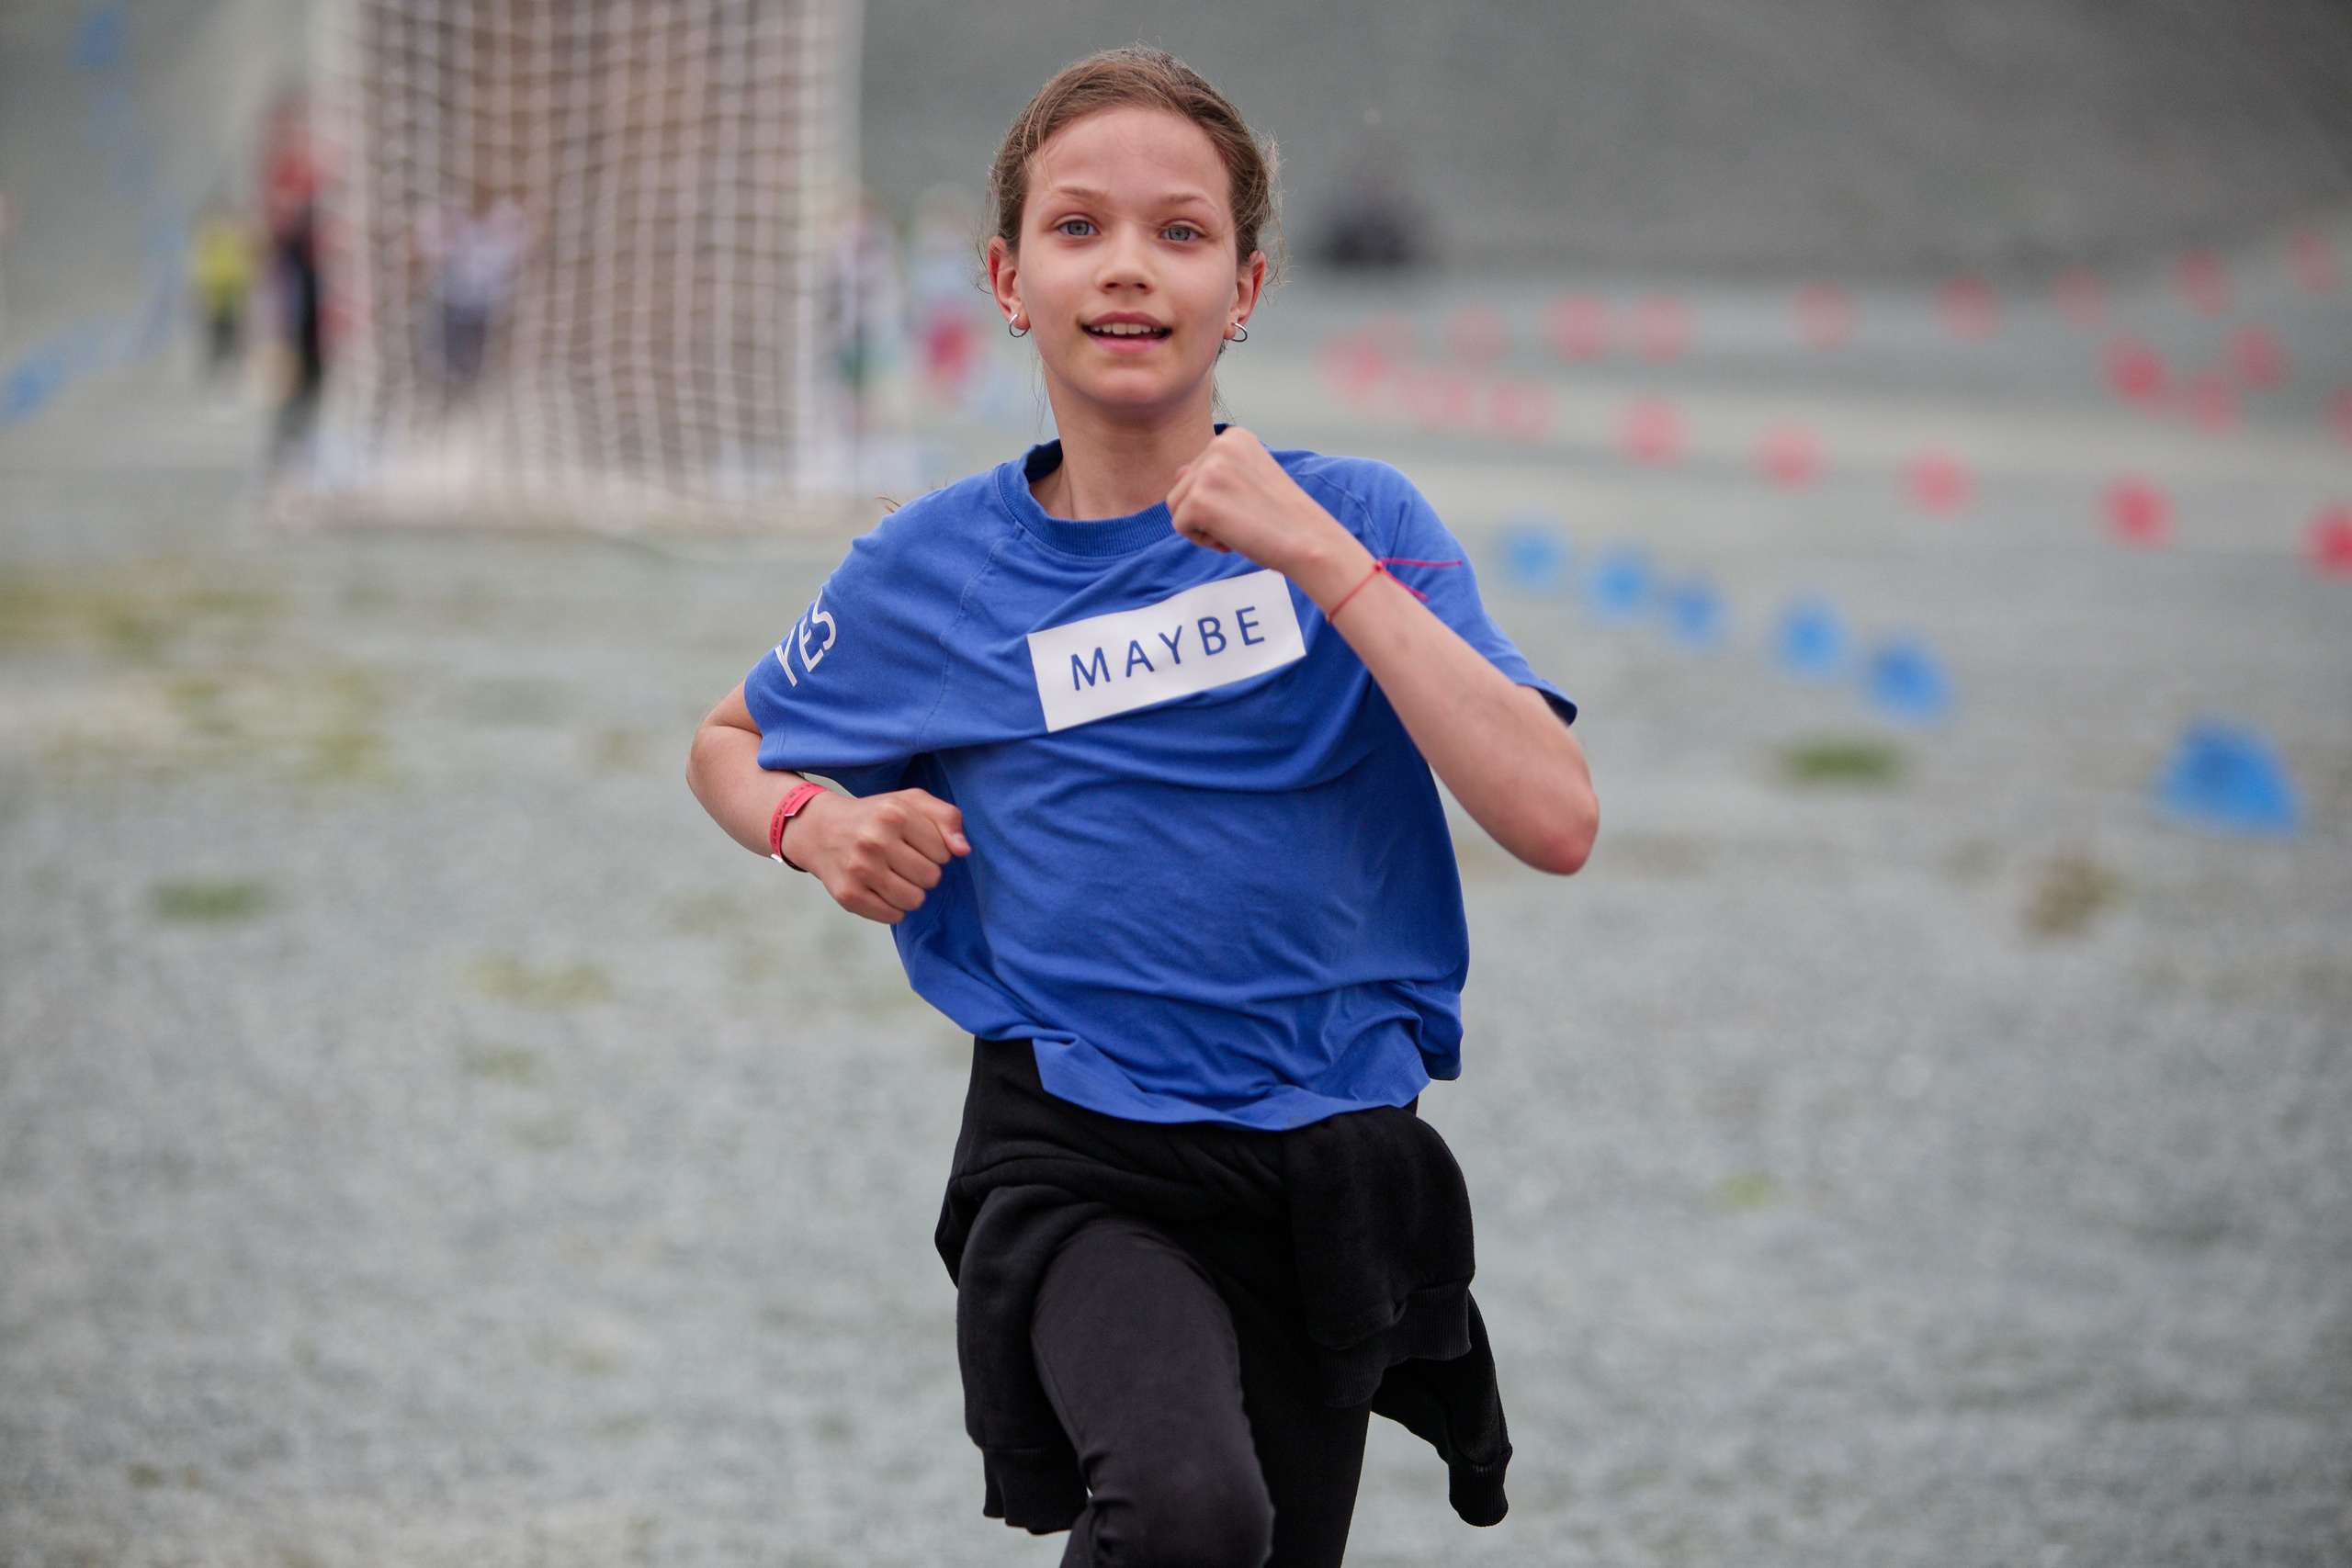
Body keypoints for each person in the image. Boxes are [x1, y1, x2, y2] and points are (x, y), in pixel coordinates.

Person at [686, 47, 1596, 1568]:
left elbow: (1554, 818)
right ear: (1006, 275)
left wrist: (1322, 566)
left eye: (1180, 233)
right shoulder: (934, 567)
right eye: (1078, 227)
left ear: (1246, 286)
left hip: (1329, 1161)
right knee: (1188, 1516)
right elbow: (728, 739)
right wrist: (814, 826)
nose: (1128, 268)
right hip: (1082, 1153)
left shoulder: (1361, 521)